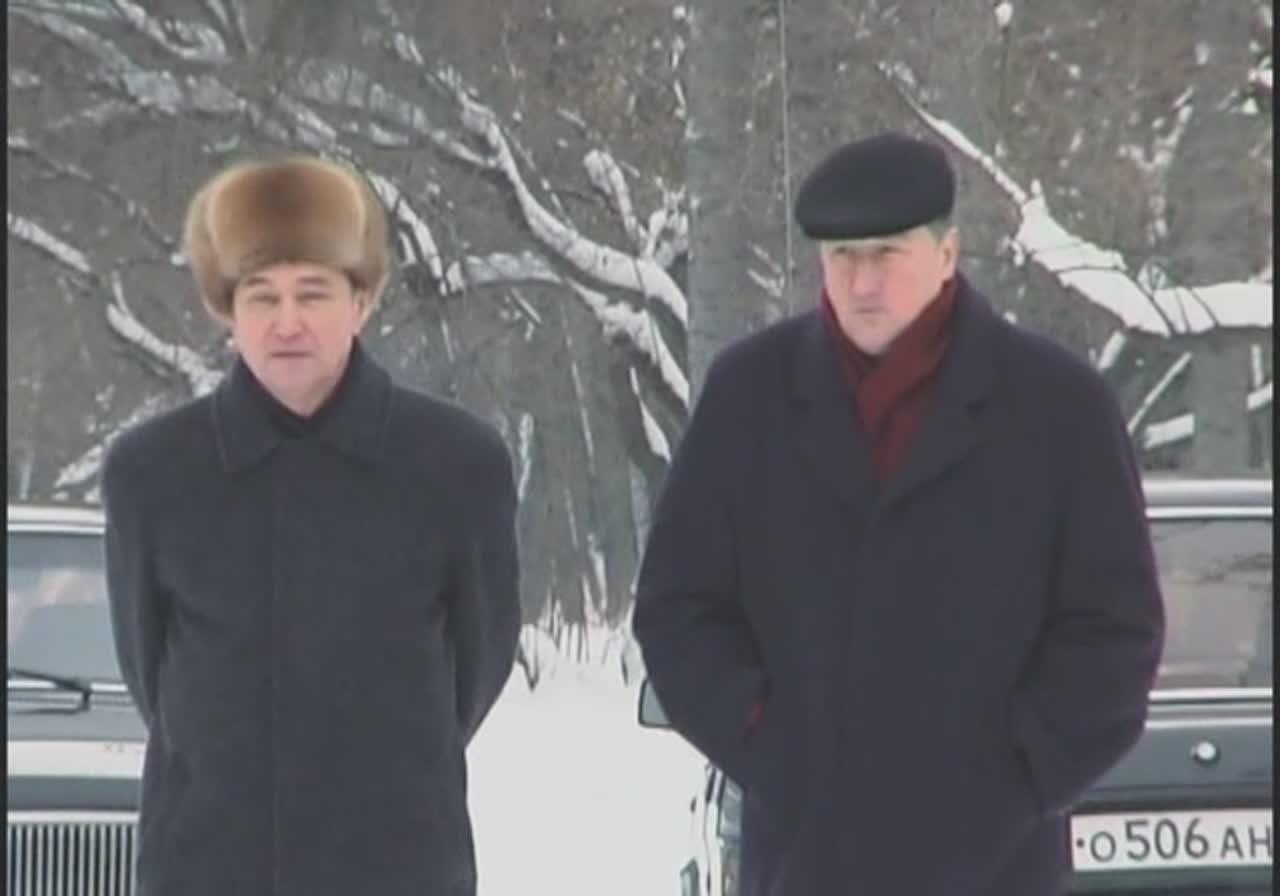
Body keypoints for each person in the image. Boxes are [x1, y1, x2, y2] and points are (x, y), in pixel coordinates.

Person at [632, 132, 1165, 895]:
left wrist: (1017, 776)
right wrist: (766, 741)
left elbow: (1114, 630)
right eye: (842, 257)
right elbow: (678, 606)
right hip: (805, 856)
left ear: (947, 254)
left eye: (887, 254)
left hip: (994, 863)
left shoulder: (1057, 408)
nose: (863, 283)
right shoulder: (749, 398)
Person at [102, 155, 522, 896]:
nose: (287, 322)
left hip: (397, 868)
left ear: (361, 300)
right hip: (205, 867)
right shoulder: (152, 474)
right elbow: (149, 671)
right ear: (227, 310)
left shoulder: (458, 466)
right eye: (262, 295)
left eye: (314, 292)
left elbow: (476, 667)